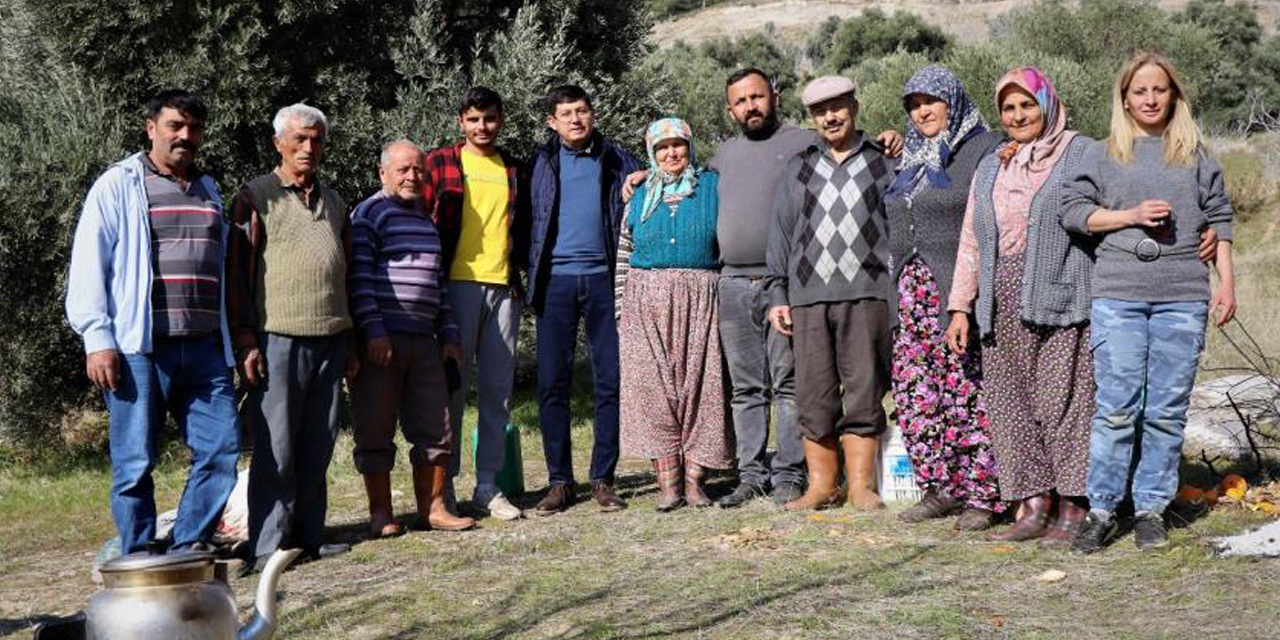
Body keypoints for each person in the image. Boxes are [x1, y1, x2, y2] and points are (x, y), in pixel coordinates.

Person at [629, 68, 903, 509]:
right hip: (733, 283)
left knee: (792, 384)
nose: (750, 106)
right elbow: (681, 176)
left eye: (756, 97)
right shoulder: (724, 155)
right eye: (740, 101)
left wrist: (889, 138)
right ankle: (751, 474)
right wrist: (645, 176)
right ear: (730, 110)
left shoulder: (803, 143)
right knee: (746, 388)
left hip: (791, 286)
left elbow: (852, 145)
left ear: (774, 96)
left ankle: (792, 476)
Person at [1062, 52, 1235, 553]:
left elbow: (1220, 219)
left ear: (1174, 96)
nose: (1151, 99)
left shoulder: (1195, 155)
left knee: (1165, 410)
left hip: (1183, 296)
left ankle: (1151, 510)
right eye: (1140, 91)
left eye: (1160, 89)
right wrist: (1131, 216)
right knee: (1116, 410)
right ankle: (1101, 510)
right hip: (1118, 295)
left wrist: (1226, 283)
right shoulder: (1102, 154)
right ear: (1124, 98)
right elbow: (1073, 212)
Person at [66, 90, 239, 554]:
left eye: (194, 128)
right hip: (138, 348)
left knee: (221, 450)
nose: (185, 136)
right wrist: (97, 338)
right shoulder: (119, 184)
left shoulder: (208, 188)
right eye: (175, 126)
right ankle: (139, 555)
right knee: (135, 462)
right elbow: (89, 262)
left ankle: (186, 548)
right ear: (151, 128)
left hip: (205, 346)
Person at [944, 67, 1097, 544]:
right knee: (1011, 404)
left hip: (1061, 295)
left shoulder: (1080, 151)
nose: (1017, 115)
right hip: (999, 300)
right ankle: (1033, 504)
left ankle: (1074, 504)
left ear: (1047, 104)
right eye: (1008, 108)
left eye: (1027, 104)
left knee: (1064, 402)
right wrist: (960, 306)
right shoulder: (994, 164)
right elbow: (971, 238)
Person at [227, 103, 356, 570]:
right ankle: (268, 546)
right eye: (299, 138)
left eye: (316, 140)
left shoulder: (335, 201)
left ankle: (307, 537)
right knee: (276, 447)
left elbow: (347, 272)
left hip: (331, 337)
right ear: (278, 143)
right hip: (277, 339)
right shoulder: (255, 197)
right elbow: (237, 275)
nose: (308, 147)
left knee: (318, 444)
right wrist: (245, 340)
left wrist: (352, 338)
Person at [766, 76, 896, 512]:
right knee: (813, 391)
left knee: (864, 387)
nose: (830, 117)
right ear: (812, 118)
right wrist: (777, 293)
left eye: (838, 107)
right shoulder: (799, 166)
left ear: (854, 107)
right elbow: (781, 234)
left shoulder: (883, 161)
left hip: (868, 292)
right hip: (807, 296)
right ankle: (821, 486)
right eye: (821, 112)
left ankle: (860, 486)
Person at [884, 65, 1005, 531]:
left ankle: (983, 493)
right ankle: (940, 488)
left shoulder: (983, 148)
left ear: (952, 101)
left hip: (957, 291)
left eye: (930, 101)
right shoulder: (911, 156)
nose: (922, 112)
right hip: (910, 293)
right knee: (918, 392)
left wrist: (968, 299)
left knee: (966, 392)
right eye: (913, 105)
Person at [349, 140, 475, 536]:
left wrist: (449, 335)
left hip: (425, 341)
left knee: (435, 427)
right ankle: (381, 514)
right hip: (381, 341)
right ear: (382, 173)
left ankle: (433, 509)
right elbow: (359, 278)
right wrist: (373, 330)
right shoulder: (368, 215)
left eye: (419, 169)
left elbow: (438, 285)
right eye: (403, 169)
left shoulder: (425, 219)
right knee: (375, 427)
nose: (412, 176)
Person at [527, 85, 642, 515]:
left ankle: (603, 479)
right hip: (554, 282)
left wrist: (646, 176)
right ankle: (560, 482)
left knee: (609, 380)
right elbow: (524, 222)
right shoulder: (539, 163)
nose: (575, 119)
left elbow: (652, 190)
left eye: (582, 111)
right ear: (552, 122)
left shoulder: (619, 160)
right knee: (551, 383)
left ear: (593, 114)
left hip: (605, 281)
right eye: (566, 113)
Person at [424, 87, 529, 521]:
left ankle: (487, 485)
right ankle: (443, 486)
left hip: (503, 287)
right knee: (450, 388)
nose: (481, 127)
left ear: (500, 120)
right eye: (473, 119)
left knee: (496, 391)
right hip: (456, 286)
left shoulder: (513, 168)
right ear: (460, 122)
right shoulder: (440, 163)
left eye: (489, 118)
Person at [616, 117, 731, 511]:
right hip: (644, 301)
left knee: (703, 388)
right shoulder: (639, 193)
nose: (670, 154)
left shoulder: (711, 187)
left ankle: (696, 482)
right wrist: (620, 310)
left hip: (702, 298)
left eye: (677, 145)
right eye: (661, 148)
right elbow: (624, 252)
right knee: (653, 391)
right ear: (651, 153)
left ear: (689, 147)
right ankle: (668, 484)